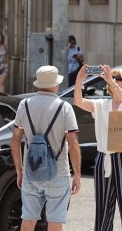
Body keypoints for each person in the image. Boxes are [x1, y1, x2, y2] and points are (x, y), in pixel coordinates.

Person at [73, 64, 122, 231]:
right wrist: (79, 79)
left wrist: (110, 81)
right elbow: (78, 101)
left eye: (119, 79)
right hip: (104, 159)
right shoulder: (102, 104)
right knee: (103, 210)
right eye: (114, 79)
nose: (115, 82)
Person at [11, 65, 81, 231]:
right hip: (59, 173)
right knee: (55, 221)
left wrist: (20, 171)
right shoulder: (64, 107)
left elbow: (15, 140)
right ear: (56, 84)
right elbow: (73, 143)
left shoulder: (24, 105)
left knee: (27, 219)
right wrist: (77, 174)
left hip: (31, 171)